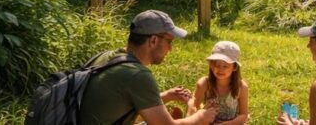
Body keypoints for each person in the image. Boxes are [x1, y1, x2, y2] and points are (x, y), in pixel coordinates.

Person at [80, 10, 217, 125]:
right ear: (153, 40)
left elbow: (124, 100)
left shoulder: (107, 56)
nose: (170, 49)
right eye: (169, 42)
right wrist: (201, 117)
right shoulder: (137, 75)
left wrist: (167, 96)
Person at [191, 41, 250, 124]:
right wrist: (203, 112)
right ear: (211, 65)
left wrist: (228, 124)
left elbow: (244, 115)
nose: (220, 69)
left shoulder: (241, 87)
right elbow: (192, 109)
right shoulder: (203, 84)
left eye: (225, 66)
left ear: (234, 67)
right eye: (217, 64)